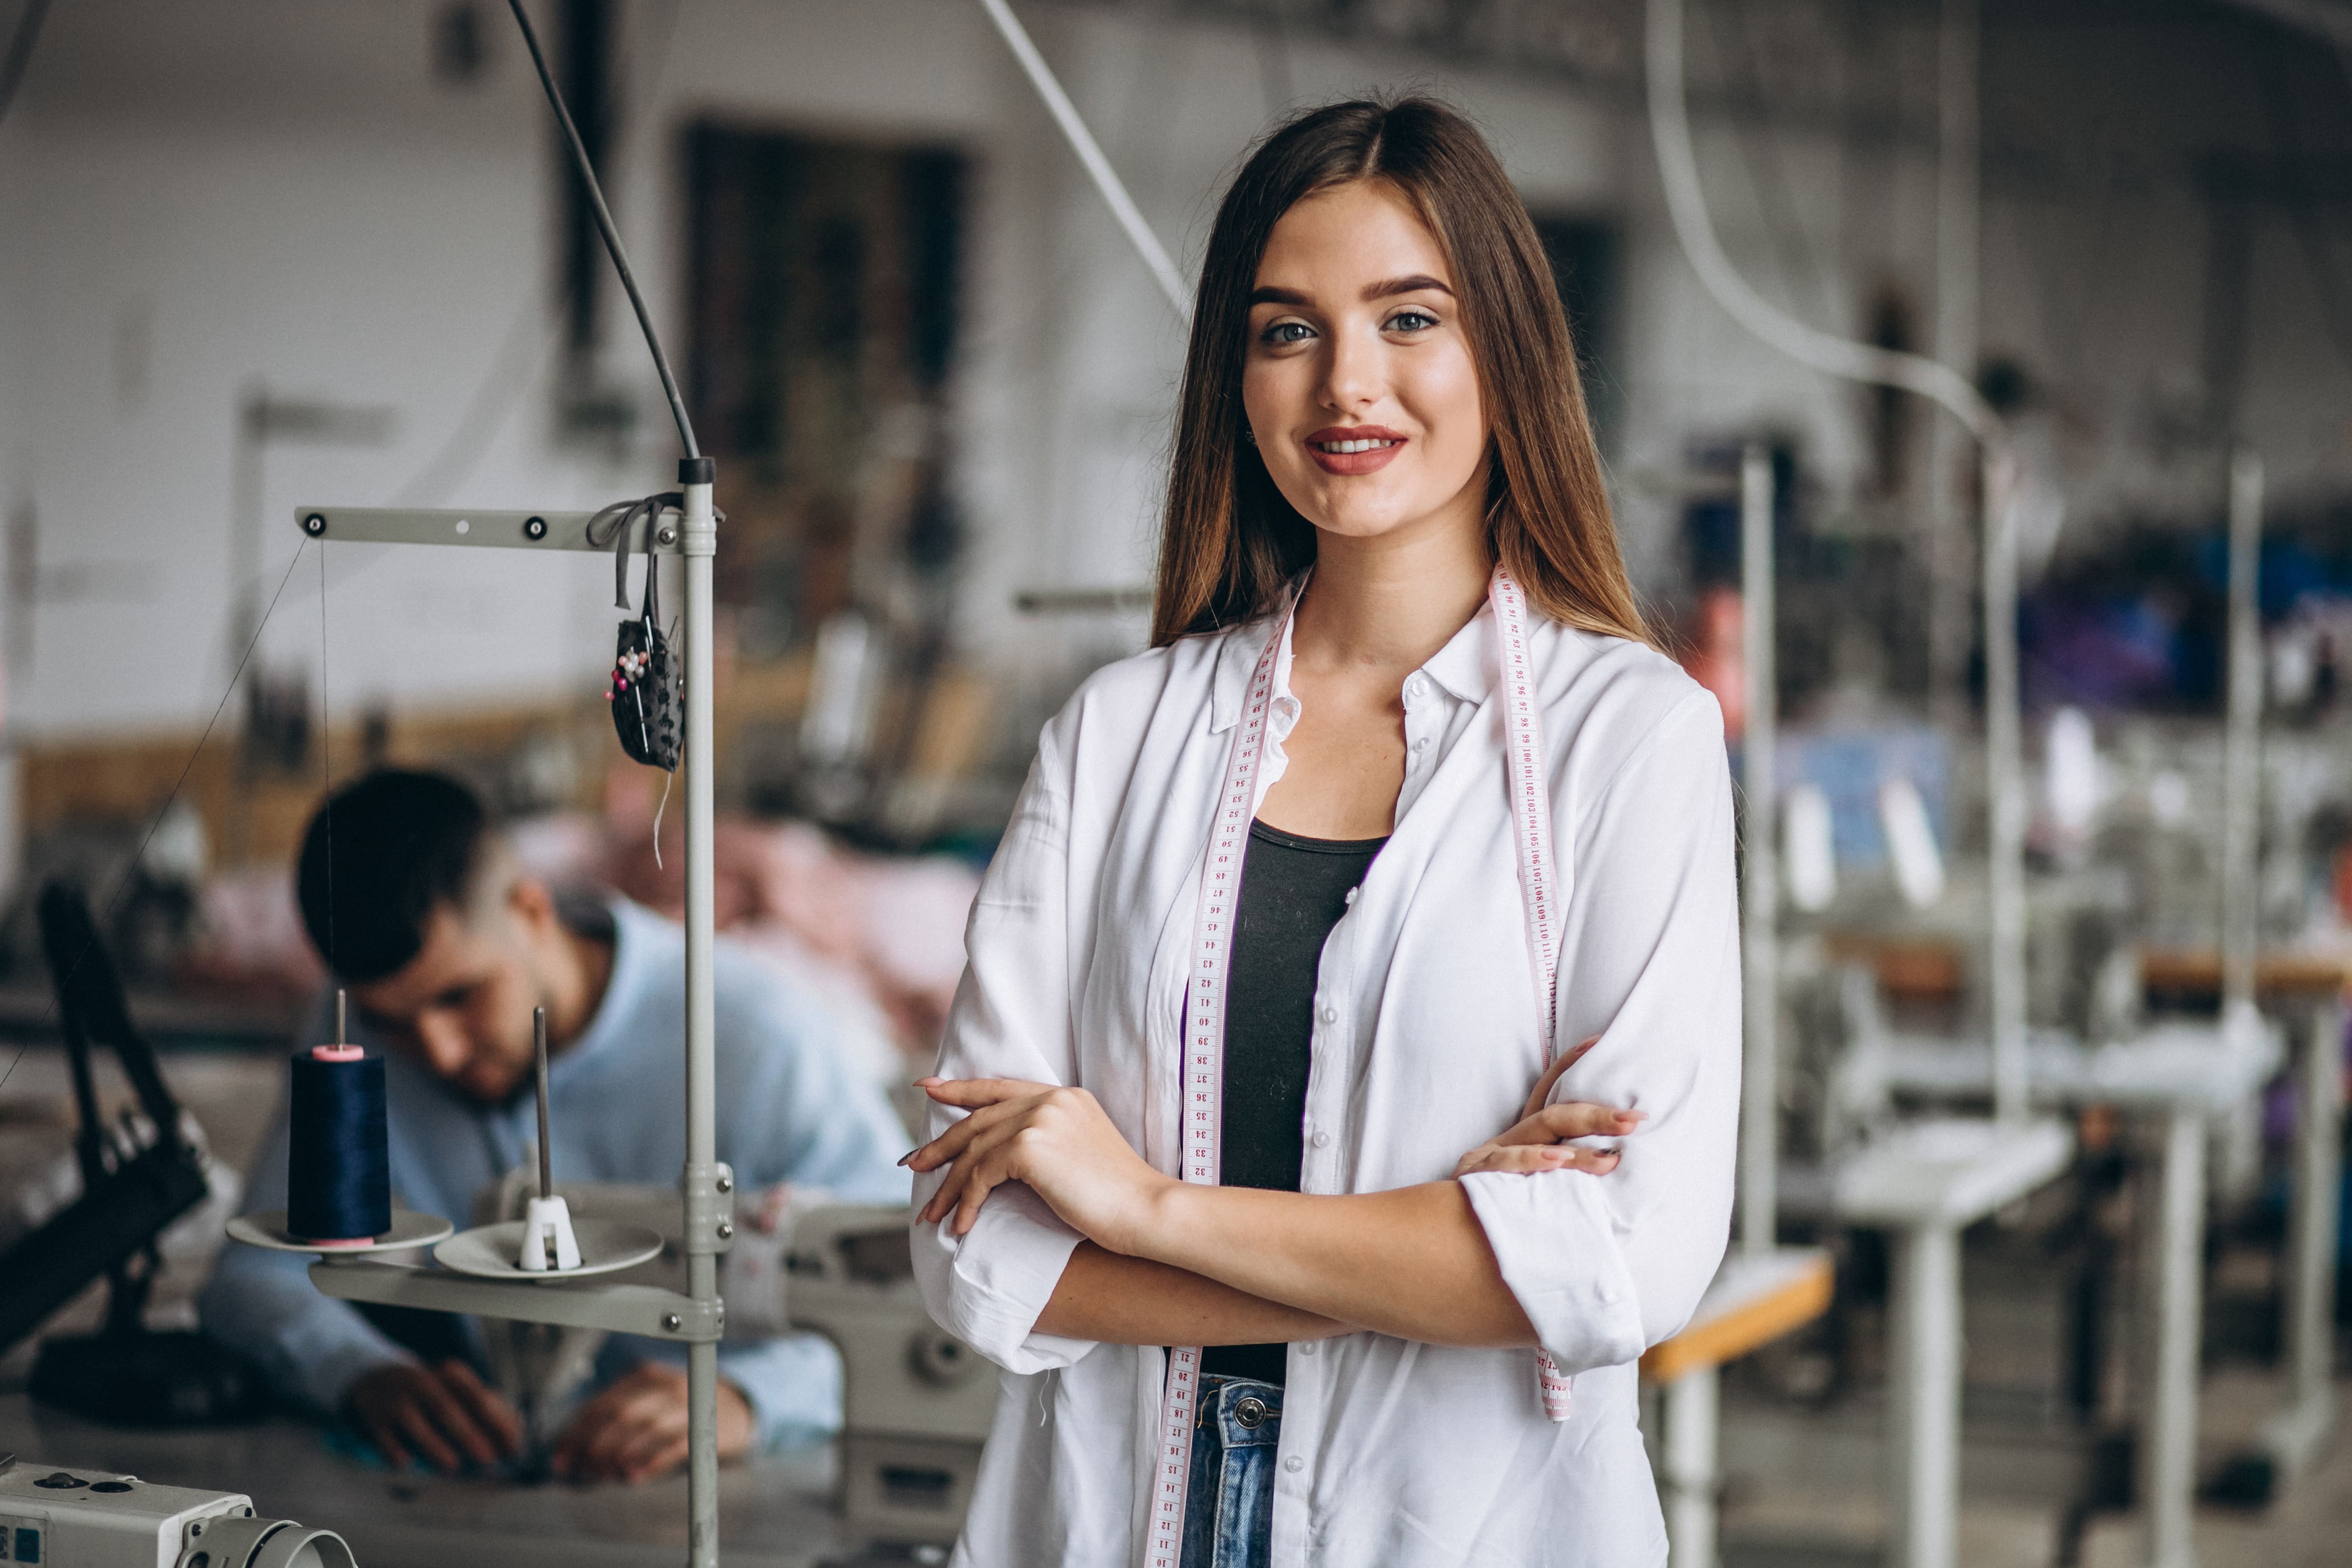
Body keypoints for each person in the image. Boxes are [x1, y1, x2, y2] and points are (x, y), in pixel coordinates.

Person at [905, 98, 1738, 1568]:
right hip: (1114, 1512)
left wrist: (1144, 1206)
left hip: (1469, 1522)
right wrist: (1451, 1246)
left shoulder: (1634, 736)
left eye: (1409, 317)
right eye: (1287, 329)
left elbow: (1628, 1255)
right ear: (1237, 371)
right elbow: (975, 1249)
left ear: (1507, 353)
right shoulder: (1117, 733)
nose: (1347, 382)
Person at [201, 769, 911, 1482]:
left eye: (461, 995)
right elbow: (255, 1274)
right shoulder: (351, 1042)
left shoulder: (757, 1037)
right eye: (395, 1020)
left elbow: (920, 1294)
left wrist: (749, 1399)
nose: (440, 1051)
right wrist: (358, 1370)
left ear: (532, 909)